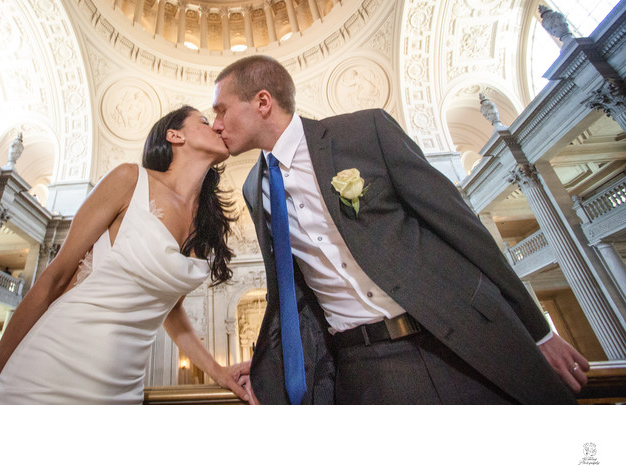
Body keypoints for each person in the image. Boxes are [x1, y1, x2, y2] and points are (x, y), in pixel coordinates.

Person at [211, 54, 589, 404]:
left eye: (222, 110)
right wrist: (266, 369)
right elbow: (289, 295)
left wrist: (537, 331)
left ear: (262, 102)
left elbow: (463, 230)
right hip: (365, 370)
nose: (216, 124)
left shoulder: (363, 132)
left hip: (456, 340)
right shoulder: (254, 188)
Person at [0, 106, 251, 404]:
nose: (216, 127)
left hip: (121, 388)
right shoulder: (129, 180)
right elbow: (54, 279)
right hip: (50, 366)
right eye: (204, 121)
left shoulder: (204, 225)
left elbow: (171, 311)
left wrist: (218, 372)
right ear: (174, 135)